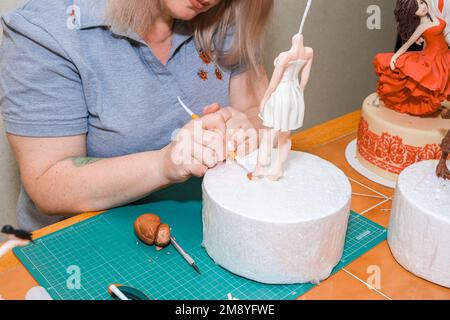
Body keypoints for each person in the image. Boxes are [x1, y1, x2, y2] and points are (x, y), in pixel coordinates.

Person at [0, 0, 273, 231]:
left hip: (193, 224)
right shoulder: (47, 29)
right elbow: (48, 181)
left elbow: (256, 110)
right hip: (80, 241)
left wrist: (245, 128)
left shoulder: (227, 12)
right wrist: (164, 164)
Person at [252, 33, 313, 181]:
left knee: (269, 134)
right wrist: (299, 94)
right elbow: (304, 78)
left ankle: (260, 167)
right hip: (294, 93)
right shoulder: (309, 52)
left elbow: (274, 82)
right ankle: (277, 168)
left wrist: (264, 99)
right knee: (285, 136)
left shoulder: (285, 56)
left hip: (281, 93)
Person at [374, 0, 450, 116]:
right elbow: (407, 44)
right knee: (425, 83)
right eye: (418, 6)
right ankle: (389, 96)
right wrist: (396, 56)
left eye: (422, 3)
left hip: (444, 54)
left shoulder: (432, 16)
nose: (423, 6)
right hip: (434, 57)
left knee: (442, 81)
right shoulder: (422, 26)